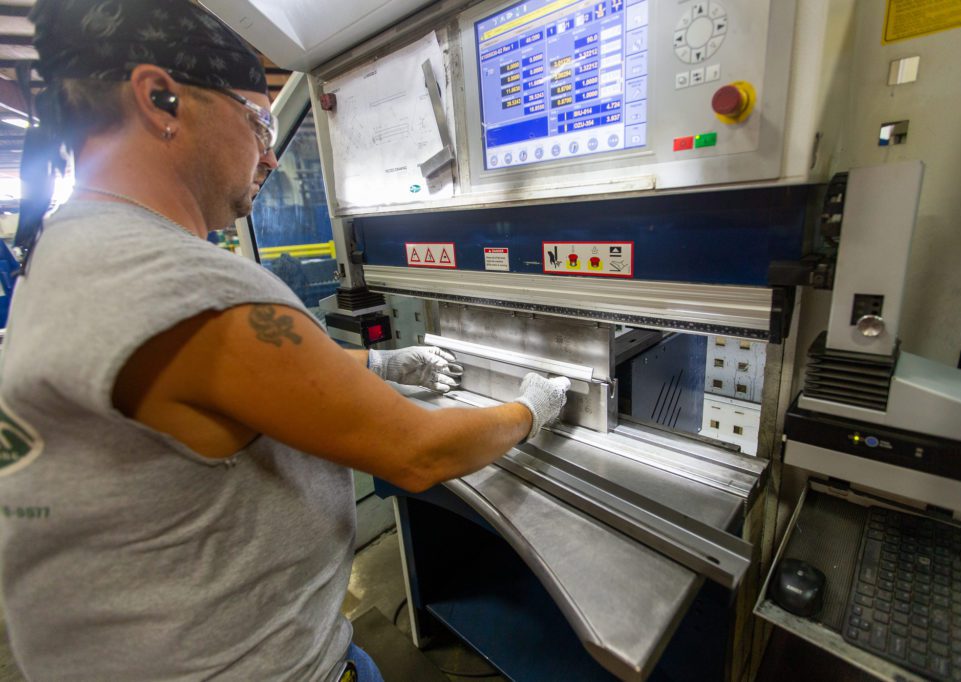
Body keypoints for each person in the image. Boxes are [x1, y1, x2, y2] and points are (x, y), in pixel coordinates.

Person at [0, 1, 571, 680]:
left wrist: (385, 362)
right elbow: (420, 454)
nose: (270, 155)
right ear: (160, 97)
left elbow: (243, 381)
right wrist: (531, 409)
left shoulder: (74, 244)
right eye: (258, 122)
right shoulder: (176, 280)